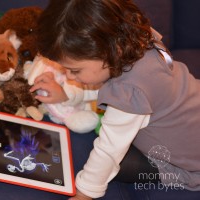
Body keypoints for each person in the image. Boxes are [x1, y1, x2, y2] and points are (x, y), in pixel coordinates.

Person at [29, 0, 200, 199]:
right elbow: (113, 84)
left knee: (111, 165)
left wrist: (84, 194)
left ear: (112, 51)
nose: (68, 76)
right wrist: (72, 95)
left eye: (74, 70)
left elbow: (109, 149)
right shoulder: (139, 38)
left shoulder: (130, 91)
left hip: (191, 163)